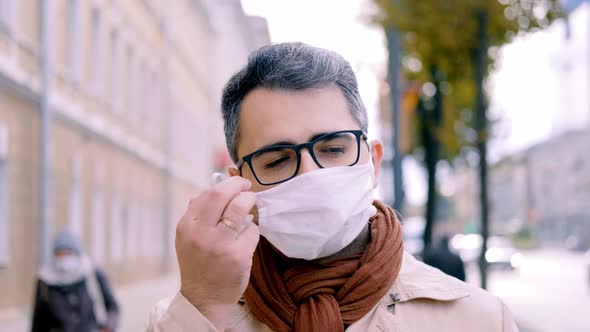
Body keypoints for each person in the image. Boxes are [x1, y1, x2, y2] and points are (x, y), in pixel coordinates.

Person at [147, 43, 518, 331]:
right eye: (277, 160)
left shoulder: (477, 320)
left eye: (334, 149)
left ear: (372, 161)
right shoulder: (187, 318)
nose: (310, 173)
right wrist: (205, 306)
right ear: (239, 185)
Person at [31, 231, 119, 332]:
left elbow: (113, 307)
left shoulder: (92, 274)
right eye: (60, 254)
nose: (64, 258)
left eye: (68, 253)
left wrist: (108, 326)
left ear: (76, 253)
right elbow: (38, 321)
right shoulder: (45, 280)